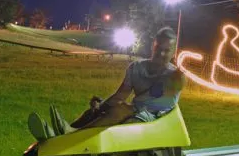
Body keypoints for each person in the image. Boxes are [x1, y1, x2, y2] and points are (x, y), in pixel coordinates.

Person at [27, 26, 187, 142]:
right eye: (159, 48)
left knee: (121, 109)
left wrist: (122, 107)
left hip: (158, 119)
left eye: (167, 50)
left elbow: (157, 100)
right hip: (135, 109)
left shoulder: (176, 76)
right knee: (97, 110)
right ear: (153, 45)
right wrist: (101, 107)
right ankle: (60, 133)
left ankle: (71, 135)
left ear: (174, 51)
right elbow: (120, 95)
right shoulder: (136, 67)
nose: (161, 53)